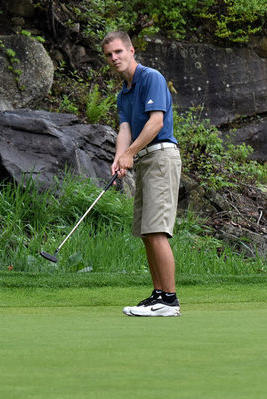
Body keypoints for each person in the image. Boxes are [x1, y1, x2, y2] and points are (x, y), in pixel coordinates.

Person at [101, 31, 182, 317]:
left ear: (131, 50)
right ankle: (158, 294)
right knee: (146, 232)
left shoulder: (151, 78)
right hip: (145, 159)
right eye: (109, 55)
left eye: (119, 52)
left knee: (157, 230)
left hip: (160, 156)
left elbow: (155, 123)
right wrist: (119, 158)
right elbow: (125, 129)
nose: (114, 58)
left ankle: (170, 301)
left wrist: (129, 154)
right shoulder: (123, 93)